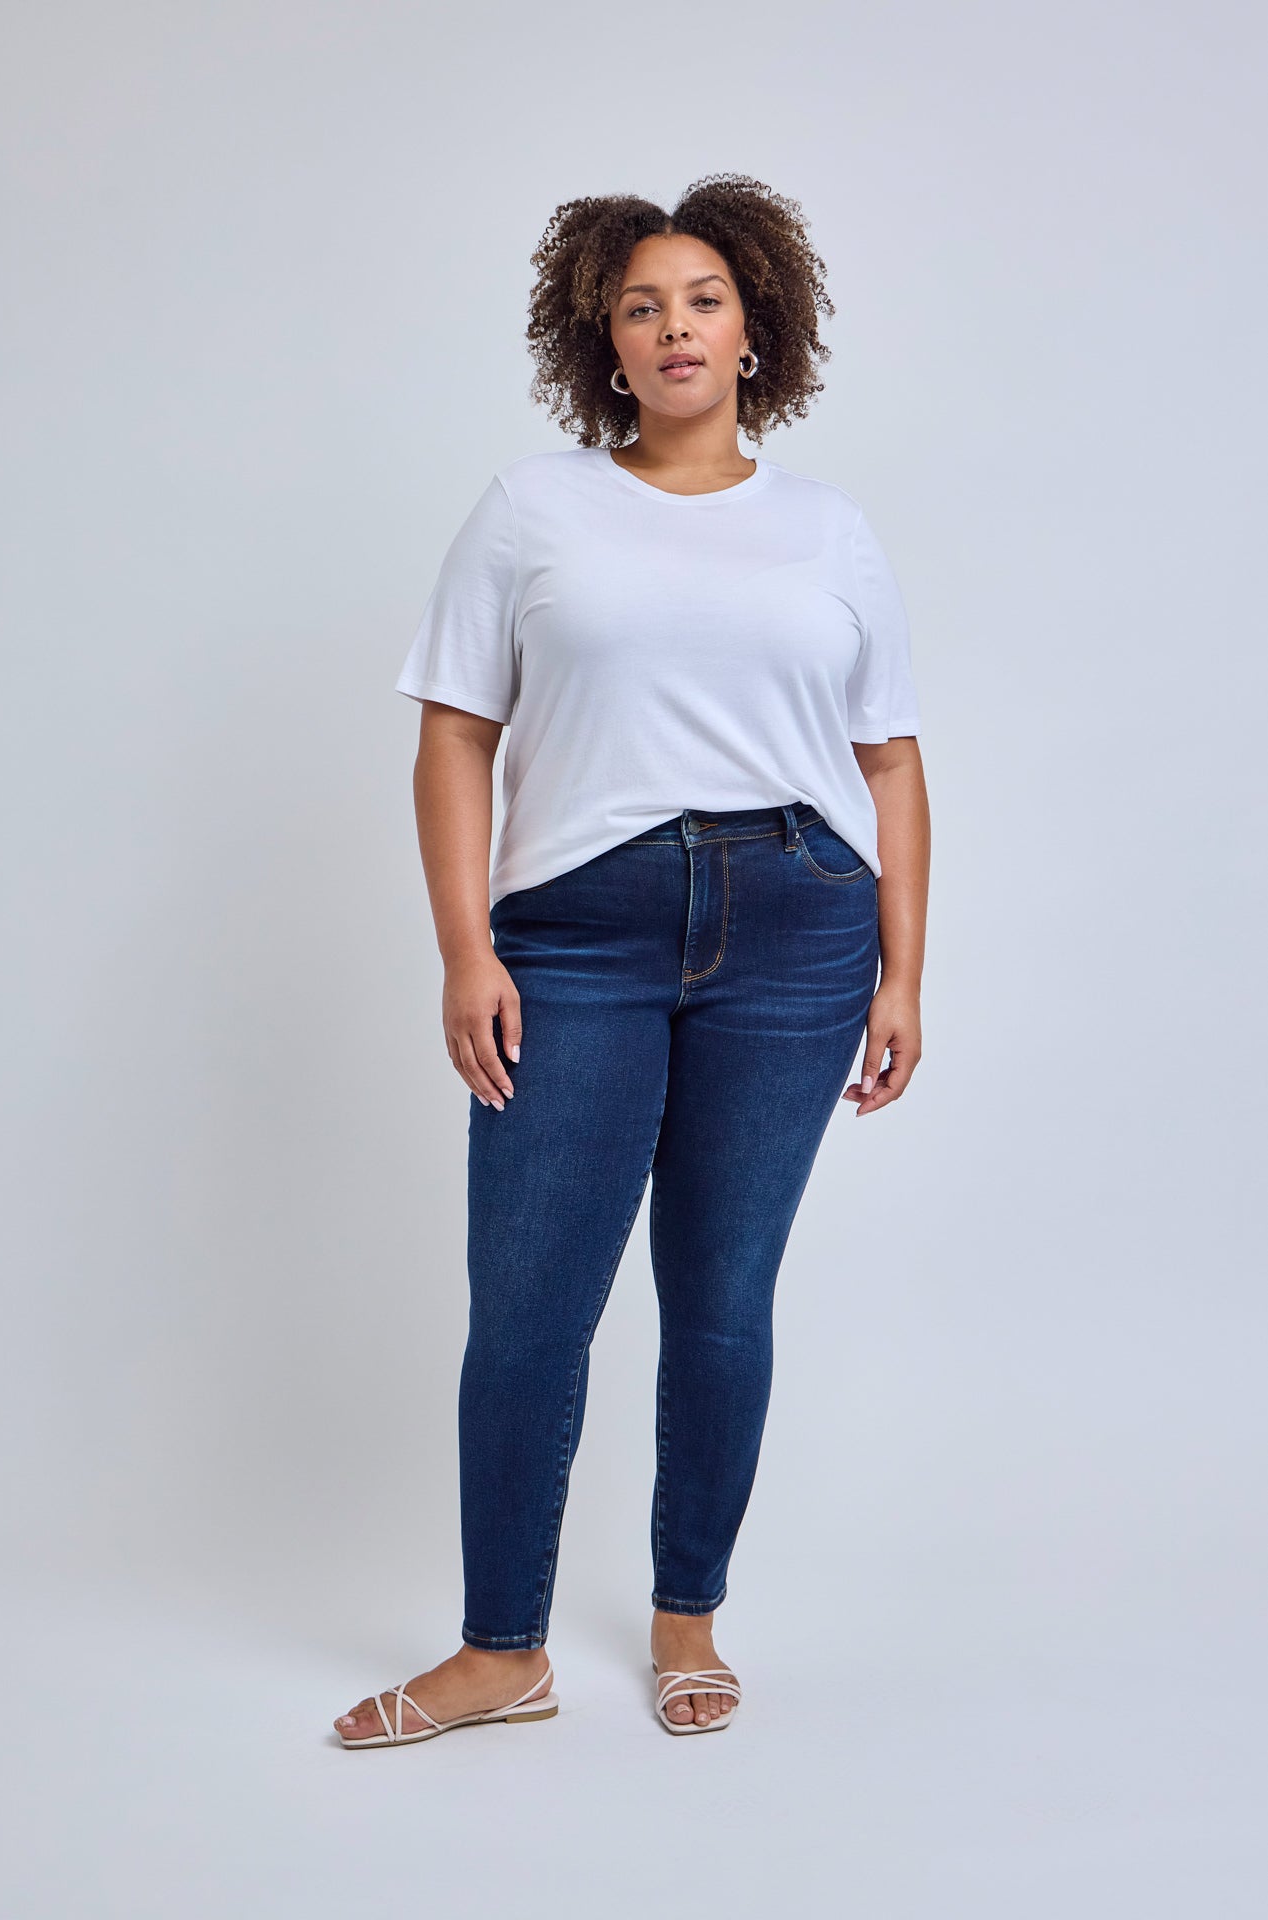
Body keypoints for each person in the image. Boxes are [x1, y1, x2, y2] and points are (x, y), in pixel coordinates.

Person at [333, 172, 931, 1748]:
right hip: (575, 932)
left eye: (704, 300)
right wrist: (465, 950)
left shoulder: (825, 530)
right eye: (641, 305)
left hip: (798, 926)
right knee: (528, 1307)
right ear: (603, 342)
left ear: (754, 334)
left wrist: (901, 973)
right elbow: (455, 736)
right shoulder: (531, 509)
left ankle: (686, 1618)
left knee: (721, 1299)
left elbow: (886, 760)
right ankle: (499, 1650)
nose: (674, 325)